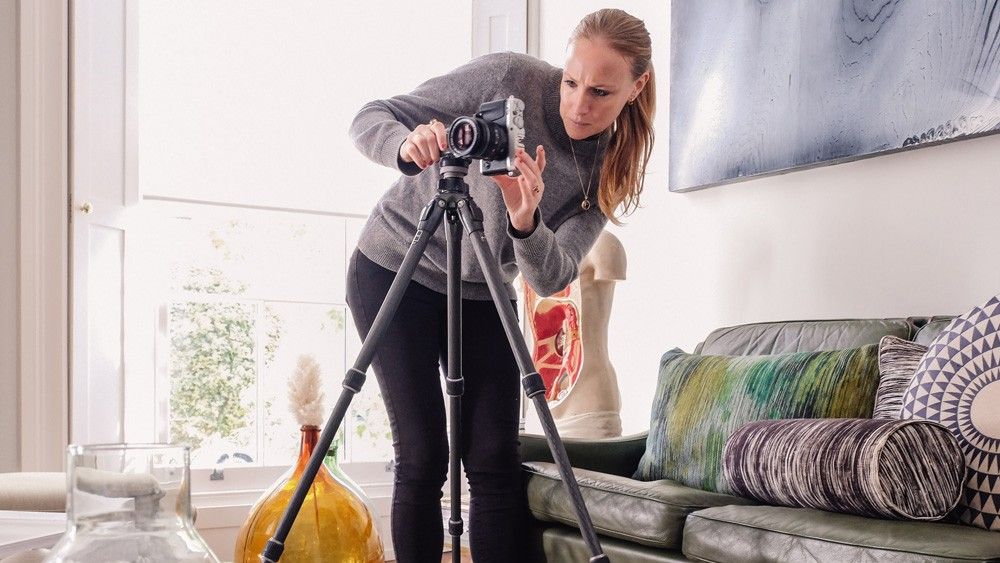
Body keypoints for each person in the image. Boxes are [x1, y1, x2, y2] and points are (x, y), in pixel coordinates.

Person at [345, 8, 655, 562]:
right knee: (422, 454)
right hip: (396, 266)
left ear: (637, 87)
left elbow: (553, 274)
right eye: (570, 82)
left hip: (486, 287)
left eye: (602, 92)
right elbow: (372, 116)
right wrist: (405, 145)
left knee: (492, 459)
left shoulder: (611, 165)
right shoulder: (508, 76)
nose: (579, 105)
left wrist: (524, 220)